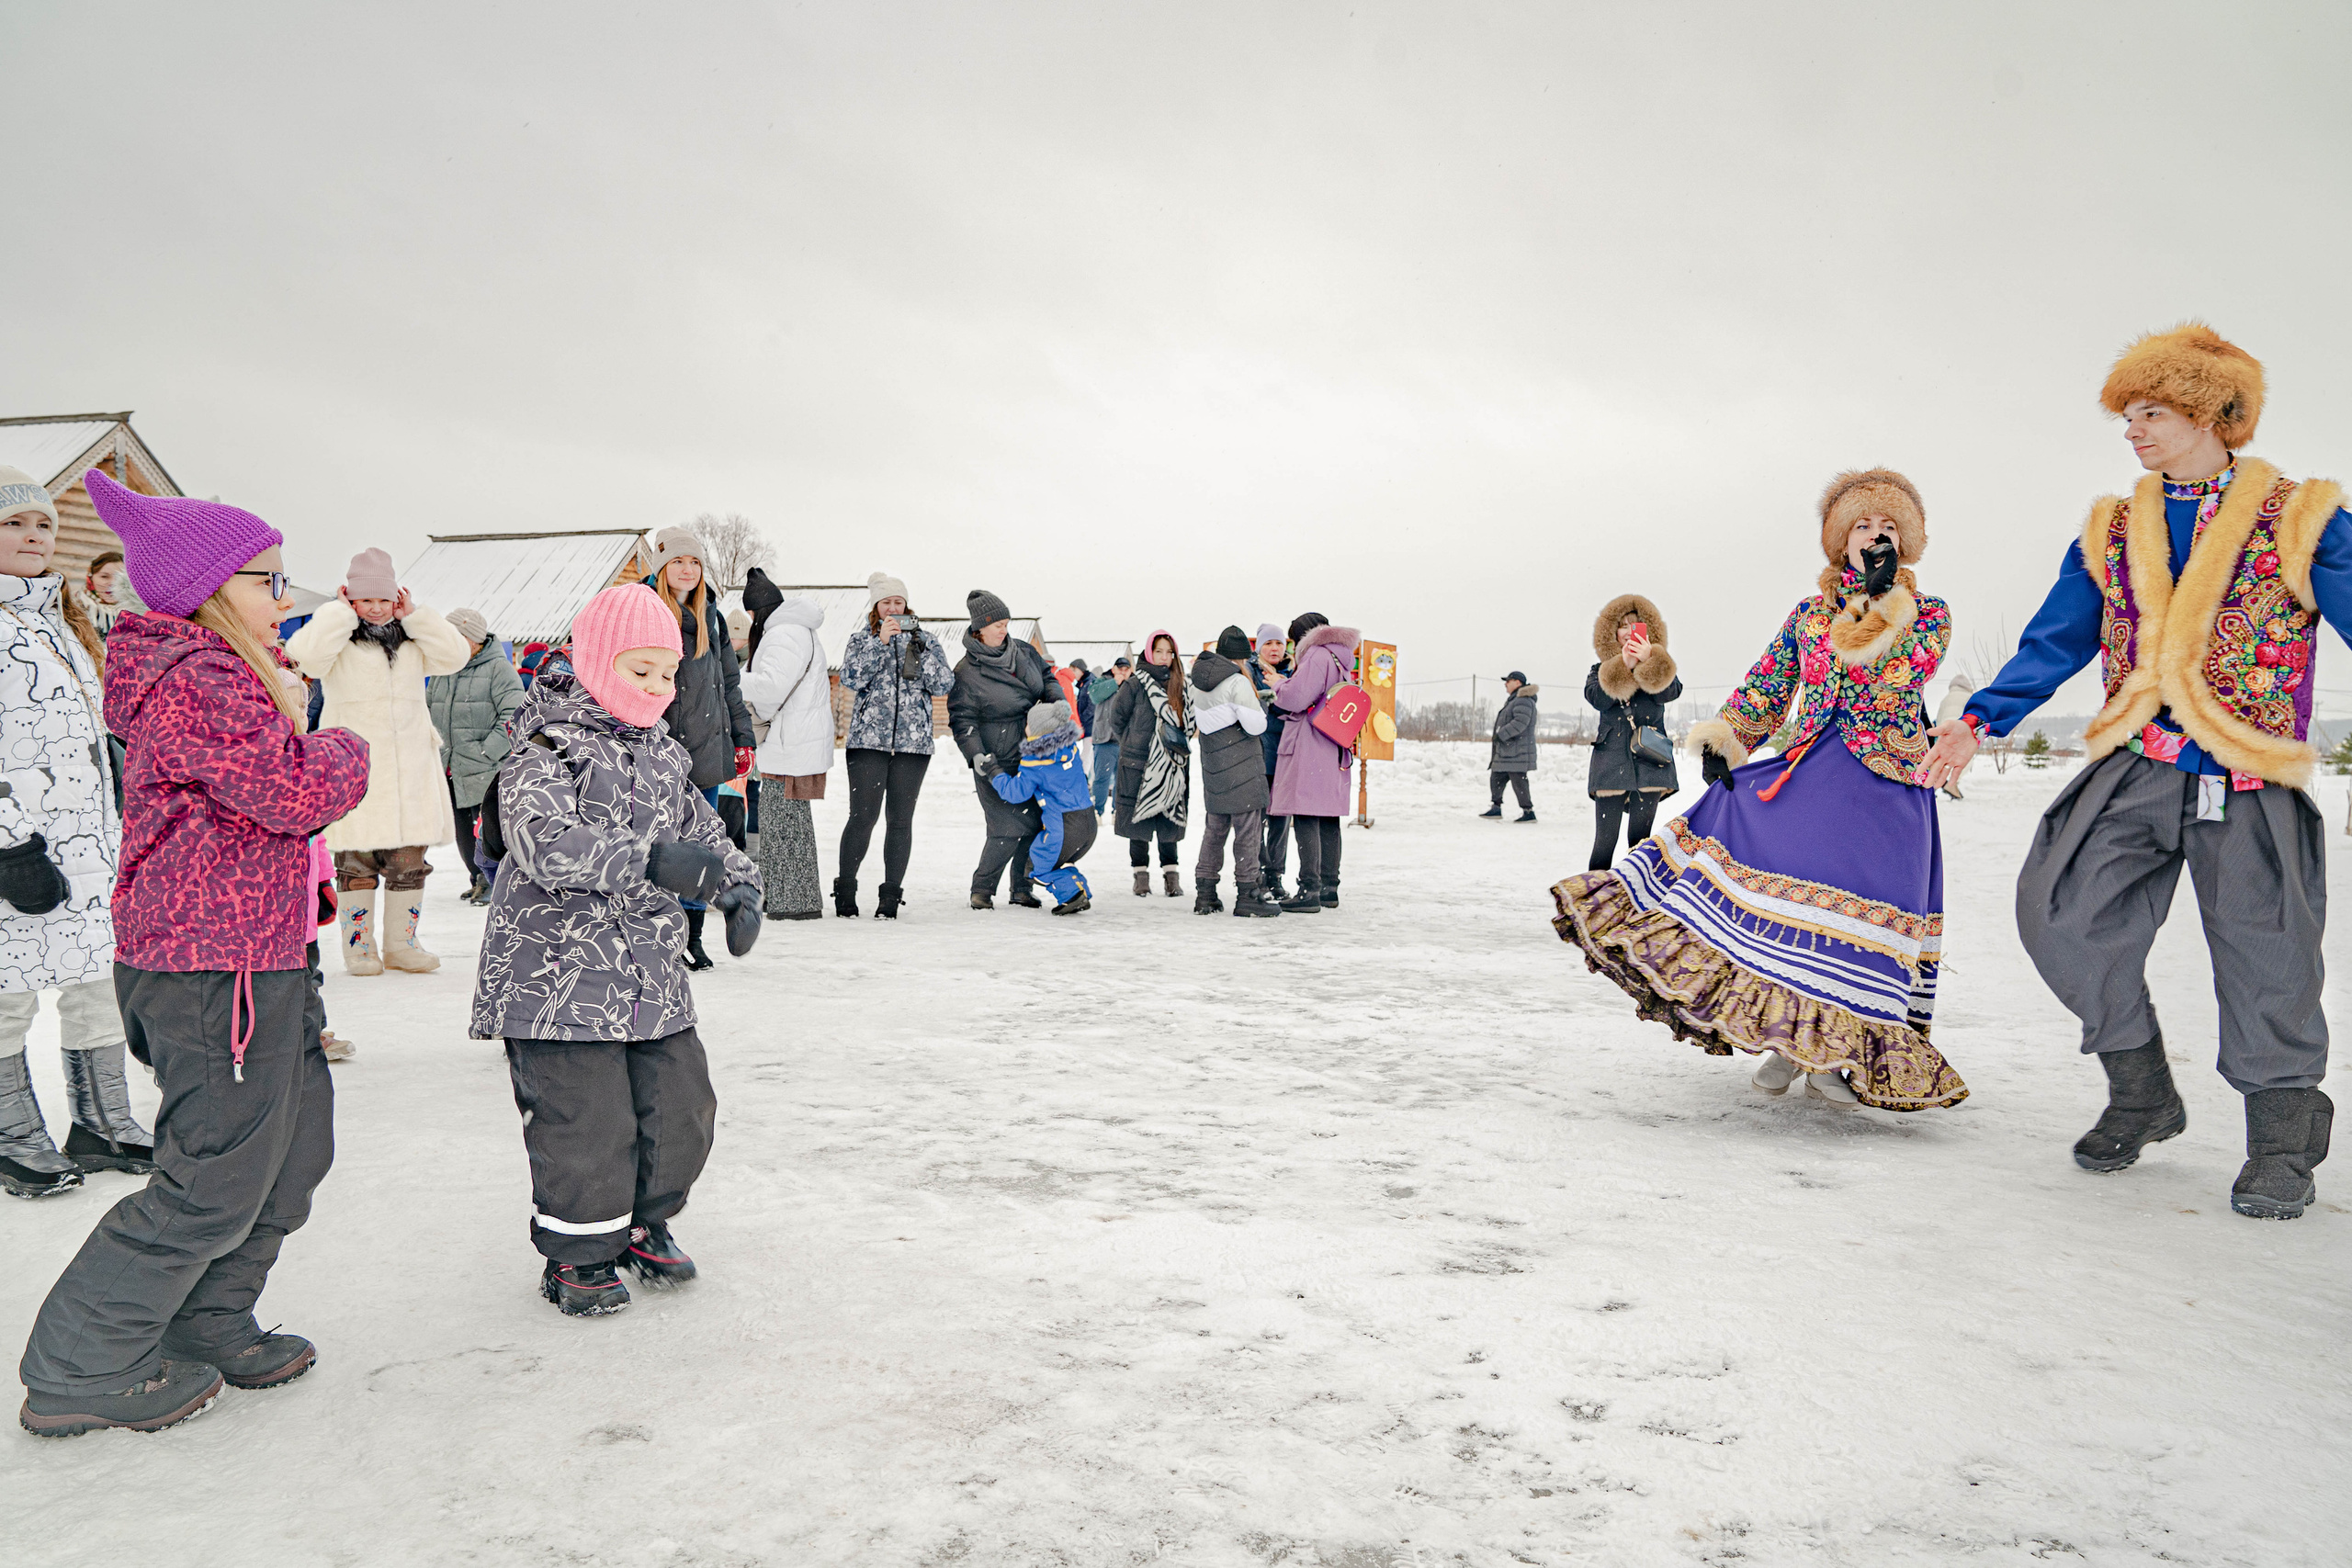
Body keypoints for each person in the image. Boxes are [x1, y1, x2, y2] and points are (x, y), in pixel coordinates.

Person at [1923, 323, 2352, 1218]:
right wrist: (1978, 718)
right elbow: (2056, 637)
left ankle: (2281, 1135)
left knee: (2268, 954)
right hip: (2136, 765)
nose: (2132, 431)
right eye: (2129, 415)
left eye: (2150, 413)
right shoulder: (2115, 527)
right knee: (2059, 911)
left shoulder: (2305, 518)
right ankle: (2141, 1087)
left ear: (2209, 414)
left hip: (2244, 773)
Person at [20, 469, 369, 1437]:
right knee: (213, 1175)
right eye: (266, 579)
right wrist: (349, 745)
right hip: (213, 969)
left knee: (292, 1155)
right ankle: (82, 1362)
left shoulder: (238, 672)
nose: (284, 597)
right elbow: (293, 792)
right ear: (211, 589)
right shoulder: (195, 678)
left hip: (265, 956)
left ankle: (208, 1317)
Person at [1552, 468, 1965, 1112]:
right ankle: (1787, 1039)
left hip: (1887, 788)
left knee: (1857, 923)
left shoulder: (1927, 614)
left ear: (1907, 542)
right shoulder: (1807, 616)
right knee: (1794, 913)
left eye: (1890, 528)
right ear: (1839, 540)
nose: (1876, 536)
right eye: (1863, 525)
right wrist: (1728, 738)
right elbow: (1770, 684)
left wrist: (1882, 605)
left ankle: (1835, 1053)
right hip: (1813, 772)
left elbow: (1899, 672)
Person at [470, 584, 762, 1317]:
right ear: (597, 662)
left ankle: (640, 1219)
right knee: (586, 1123)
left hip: (650, 977)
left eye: (669, 675)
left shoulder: (663, 755)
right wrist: (652, 861)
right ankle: (578, 1255)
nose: (659, 689)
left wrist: (738, 884)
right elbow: (544, 844)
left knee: (682, 1108)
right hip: (556, 979)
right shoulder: (544, 744)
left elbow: (707, 833)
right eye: (642, 671)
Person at [0, 468, 149, 1200]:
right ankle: (12, 1135)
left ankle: (103, 1122)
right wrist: (10, 844)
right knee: (7, 997)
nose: (33, 537)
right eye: (14, 525)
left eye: (44, 526)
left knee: (97, 984)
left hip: (86, 843)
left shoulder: (61, 617)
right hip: (15, 849)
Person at [285, 548, 469, 976]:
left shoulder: (411, 639)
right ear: (350, 600)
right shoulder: (338, 639)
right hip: (356, 770)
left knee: (409, 862)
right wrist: (337, 615)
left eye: (383, 600)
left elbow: (455, 656)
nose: (375, 608)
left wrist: (417, 616)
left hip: (410, 771)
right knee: (357, 862)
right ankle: (359, 948)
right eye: (365, 599)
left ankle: (402, 944)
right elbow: (306, 658)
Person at [643, 527, 754, 970]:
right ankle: (655, 931)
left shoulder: (712, 616)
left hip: (706, 750)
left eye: (695, 563)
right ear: (662, 567)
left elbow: (729, 682)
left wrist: (742, 737)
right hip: (661, 746)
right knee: (660, 842)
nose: (687, 570)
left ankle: (693, 934)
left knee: (703, 841)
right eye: (678, 562)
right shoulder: (647, 610)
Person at [834, 572, 956, 918]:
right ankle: (845, 890)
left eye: (898, 602)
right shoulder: (862, 640)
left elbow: (943, 683)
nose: (893, 608)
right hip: (867, 743)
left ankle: (890, 898)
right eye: (886, 602)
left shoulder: (927, 640)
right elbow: (851, 678)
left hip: (912, 745)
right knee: (863, 817)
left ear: (906, 606)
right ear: (876, 607)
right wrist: (881, 644)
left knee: (901, 820)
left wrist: (921, 651)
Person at [950, 591, 1058, 909]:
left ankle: (1021, 889)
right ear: (979, 628)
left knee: (1035, 819)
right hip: (994, 757)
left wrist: (1056, 701)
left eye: (1006, 622)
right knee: (1006, 826)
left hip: (1032, 751)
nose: (1003, 629)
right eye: (997, 624)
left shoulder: (1024, 651)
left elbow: (1048, 678)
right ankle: (981, 890)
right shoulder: (967, 670)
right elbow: (961, 719)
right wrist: (976, 754)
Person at [738, 568, 831, 920]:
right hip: (798, 740)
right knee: (791, 825)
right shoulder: (798, 628)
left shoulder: (782, 633)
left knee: (782, 827)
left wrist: (738, 681)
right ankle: (797, 899)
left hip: (788, 741)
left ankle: (791, 903)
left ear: (758, 610)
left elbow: (771, 689)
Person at [427, 606, 525, 907]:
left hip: (485, 770)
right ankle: (476, 880)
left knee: (485, 831)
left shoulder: (498, 669)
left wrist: (486, 752)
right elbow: (429, 710)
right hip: (451, 767)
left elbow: (514, 716)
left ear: (472, 640)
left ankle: (491, 883)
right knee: (462, 834)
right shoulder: (443, 670)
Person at [1580, 597, 1684, 865]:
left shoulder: (1660, 665)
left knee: (1639, 842)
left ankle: (1635, 899)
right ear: (1612, 633)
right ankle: (1594, 901)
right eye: (1623, 626)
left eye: (1636, 625)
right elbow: (1596, 698)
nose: (1629, 631)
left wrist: (1649, 662)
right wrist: (1622, 668)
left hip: (1650, 761)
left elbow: (1671, 692)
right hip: (1610, 762)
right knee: (1605, 842)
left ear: (1647, 631)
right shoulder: (1600, 670)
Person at [1269, 615, 1360, 912]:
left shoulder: (1317, 655)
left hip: (1311, 744)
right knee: (1328, 819)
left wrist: (1279, 683)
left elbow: (1296, 698)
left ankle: (1309, 890)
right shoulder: (1342, 658)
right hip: (1333, 744)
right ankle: (1329, 888)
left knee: (1306, 815)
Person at [1188, 626, 1279, 917]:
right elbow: (1256, 726)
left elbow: (1216, 717)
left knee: (1214, 831)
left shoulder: (1199, 682)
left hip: (1215, 769)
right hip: (1242, 768)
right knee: (1247, 833)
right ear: (1241, 657)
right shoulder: (1238, 682)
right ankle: (1248, 894)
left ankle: (1205, 893)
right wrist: (1260, 706)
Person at [981, 700, 1096, 915]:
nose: (1025, 727)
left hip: (1065, 826)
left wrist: (994, 772)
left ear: (1037, 730)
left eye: (1028, 724)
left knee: (1036, 866)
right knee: (1053, 862)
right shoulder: (1069, 748)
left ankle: (1073, 894)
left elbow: (1016, 793)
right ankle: (1079, 891)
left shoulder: (1035, 760)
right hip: (1088, 822)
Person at [1107, 630, 1195, 897]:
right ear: (1148, 652)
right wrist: (1133, 744)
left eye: (1169, 652)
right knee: (1140, 821)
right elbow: (1116, 719)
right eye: (1159, 651)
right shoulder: (1135, 683)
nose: (1164, 657)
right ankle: (1140, 875)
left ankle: (1171, 876)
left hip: (1172, 762)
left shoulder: (1181, 684)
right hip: (1138, 762)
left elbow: (1190, 722)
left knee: (1169, 820)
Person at [1250, 626, 1295, 898]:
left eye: (1279, 643)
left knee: (1281, 821)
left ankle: (1274, 876)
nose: (1274, 648)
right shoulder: (1250, 671)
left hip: (1287, 755)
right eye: (1269, 644)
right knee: (1256, 819)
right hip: (1258, 754)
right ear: (1259, 648)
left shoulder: (1294, 672)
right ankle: (1256, 874)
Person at [1484, 671, 1542, 823]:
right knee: (1496, 776)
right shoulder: (1514, 700)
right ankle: (1496, 807)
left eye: (1508, 681)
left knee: (1519, 781)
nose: (1505, 684)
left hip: (1517, 751)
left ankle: (1528, 812)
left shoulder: (1523, 700)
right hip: (1507, 750)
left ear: (1518, 683)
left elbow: (1520, 723)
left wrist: (1501, 734)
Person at [1087, 658, 1128, 814]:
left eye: (1126, 669)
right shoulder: (1102, 681)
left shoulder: (1132, 685)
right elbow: (1095, 696)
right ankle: (1097, 811)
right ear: (1114, 669)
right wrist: (1114, 683)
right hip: (1104, 739)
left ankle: (1118, 811)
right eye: (1120, 669)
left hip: (1124, 740)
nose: (1123, 673)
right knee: (1101, 779)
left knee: (1122, 780)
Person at [79, 548, 130, 637]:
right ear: (90, 578)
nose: (112, 583)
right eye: (104, 576)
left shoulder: (137, 612)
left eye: (119, 577)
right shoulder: (76, 609)